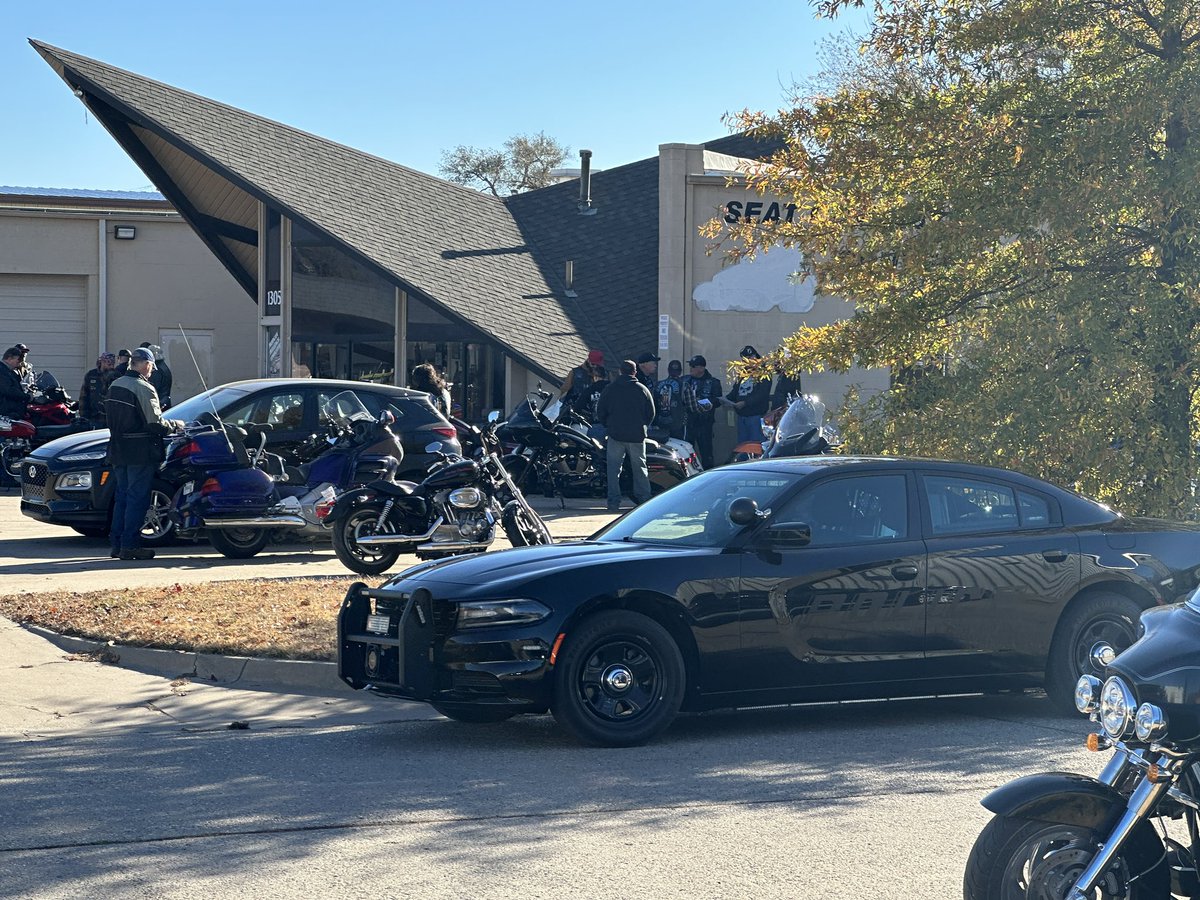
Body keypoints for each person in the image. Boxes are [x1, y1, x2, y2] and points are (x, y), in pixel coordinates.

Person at [105, 347, 184, 561]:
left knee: (122, 496)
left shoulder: (115, 384)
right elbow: (155, 423)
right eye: (150, 367)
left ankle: (117, 544)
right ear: (146, 364)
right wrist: (176, 425)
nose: (151, 371)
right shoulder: (144, 388)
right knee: (137, 498)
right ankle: (130, 545)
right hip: (139, 452)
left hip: (117, 449)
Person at [595, 359, 655, 511]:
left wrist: (608, 425)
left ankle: (613, 502)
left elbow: (600, 410)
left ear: (620, 371)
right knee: (640, 468)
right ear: (635, 372)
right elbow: (651, 413)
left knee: (614, 470)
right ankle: (644, 500)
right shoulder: (642, 389)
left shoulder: (610, 389)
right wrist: (642, 426)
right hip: (636, 435)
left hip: (615, 435)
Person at [722, 345, 772, 444]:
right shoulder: (743, 373)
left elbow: (762, 394)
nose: (747, 362)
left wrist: (745, 403)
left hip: (756, 416)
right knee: (743, 446)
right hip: (742, 416)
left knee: (756, 445)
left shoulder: (764, 373)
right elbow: (735, 390)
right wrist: (725, 400)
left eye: (749, 358)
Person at [682, 355, 722, 470]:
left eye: (693, 367)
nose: (691, 369)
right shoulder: (685, 381)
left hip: (705, 424)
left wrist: (704, 402)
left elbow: (718, 401)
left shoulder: (713, 383)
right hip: (688, 423)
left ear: (701, 368)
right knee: (686, 451)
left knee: (706, 453)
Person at [79, 352, 117, 422]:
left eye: (112, 364)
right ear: (102, 362)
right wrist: (84, 416)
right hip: (93, 417)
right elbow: (83, 397)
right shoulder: (91, 375)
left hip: (110, 419)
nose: (111, 366)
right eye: (109, 363)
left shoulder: (116, 376)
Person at [655, 359, 685, 440]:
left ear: (668, 371)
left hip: (660, 423)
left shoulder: (658, 384)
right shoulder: (684, 385)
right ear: (680, 372)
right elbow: (690, 405)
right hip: (677, 425)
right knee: (678, 447)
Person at [0, 347, 31, 420]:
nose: (19, 363)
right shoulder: (2, 370)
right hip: (7, 412)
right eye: (18, 360)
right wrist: (27, 396)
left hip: (9, 411)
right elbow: (8, 390)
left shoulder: (8, 370)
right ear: (10, 358)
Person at [140, 342, 173, 409]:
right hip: (163, 401)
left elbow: (153, 387)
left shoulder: (157, 370)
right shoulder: (163, 366)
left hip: (159, 403)